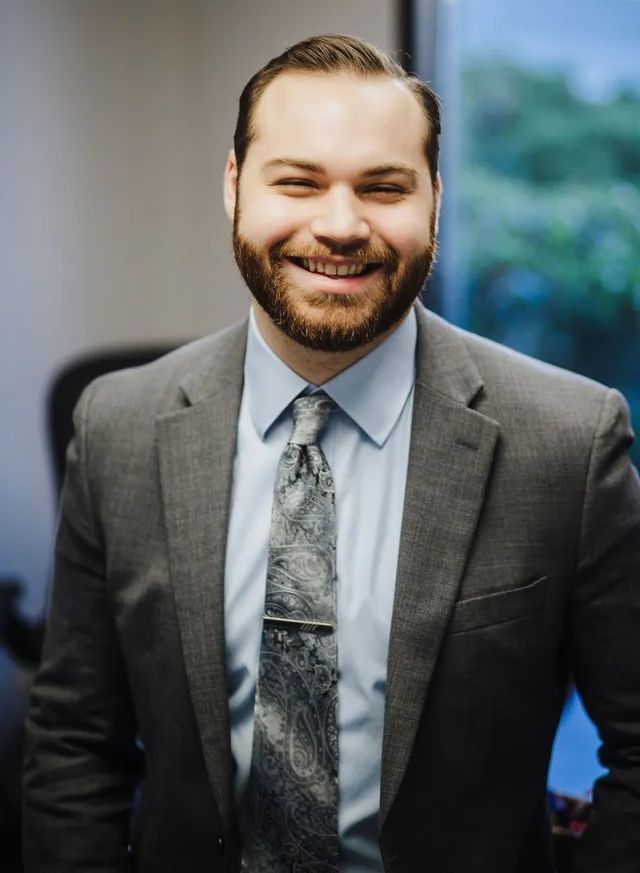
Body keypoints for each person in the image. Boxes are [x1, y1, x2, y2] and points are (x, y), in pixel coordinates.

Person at [22, 33, 640, 873]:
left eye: (384, 187)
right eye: (298, 181)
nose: (341, 225)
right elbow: (73, 742)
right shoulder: (117, 426)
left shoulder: (570, 439)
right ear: (235, 185)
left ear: (434, 200)